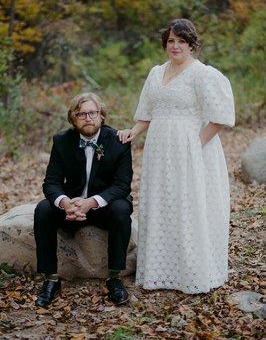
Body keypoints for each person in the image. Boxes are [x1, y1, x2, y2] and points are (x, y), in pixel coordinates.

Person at [118, 18, 235, 294]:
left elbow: (219, 118)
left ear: (191, 44)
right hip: (160, 151)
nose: (175, 46)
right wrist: (132, 132)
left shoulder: (202, 74)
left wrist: (195, 145)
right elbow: (147, 113)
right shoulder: (156, 73)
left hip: (192, 150)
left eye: (181, 41)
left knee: (188, 207)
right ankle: (162, 270)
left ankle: (193, 273)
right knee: (163, 205)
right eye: (171, 40)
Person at [34, 92, 133, 307]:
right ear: (73, 118)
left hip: (102, 208)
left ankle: (114, 278)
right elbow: (51, 182)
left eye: (93, 113)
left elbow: (122, 185)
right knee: (43, 209)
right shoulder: (62, 141)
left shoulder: (118, 141)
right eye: (81, 114)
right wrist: (66, 203)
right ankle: (50, 279)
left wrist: (91, 202)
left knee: (122, 208)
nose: (88, 118)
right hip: (72, 208)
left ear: (101, 115)